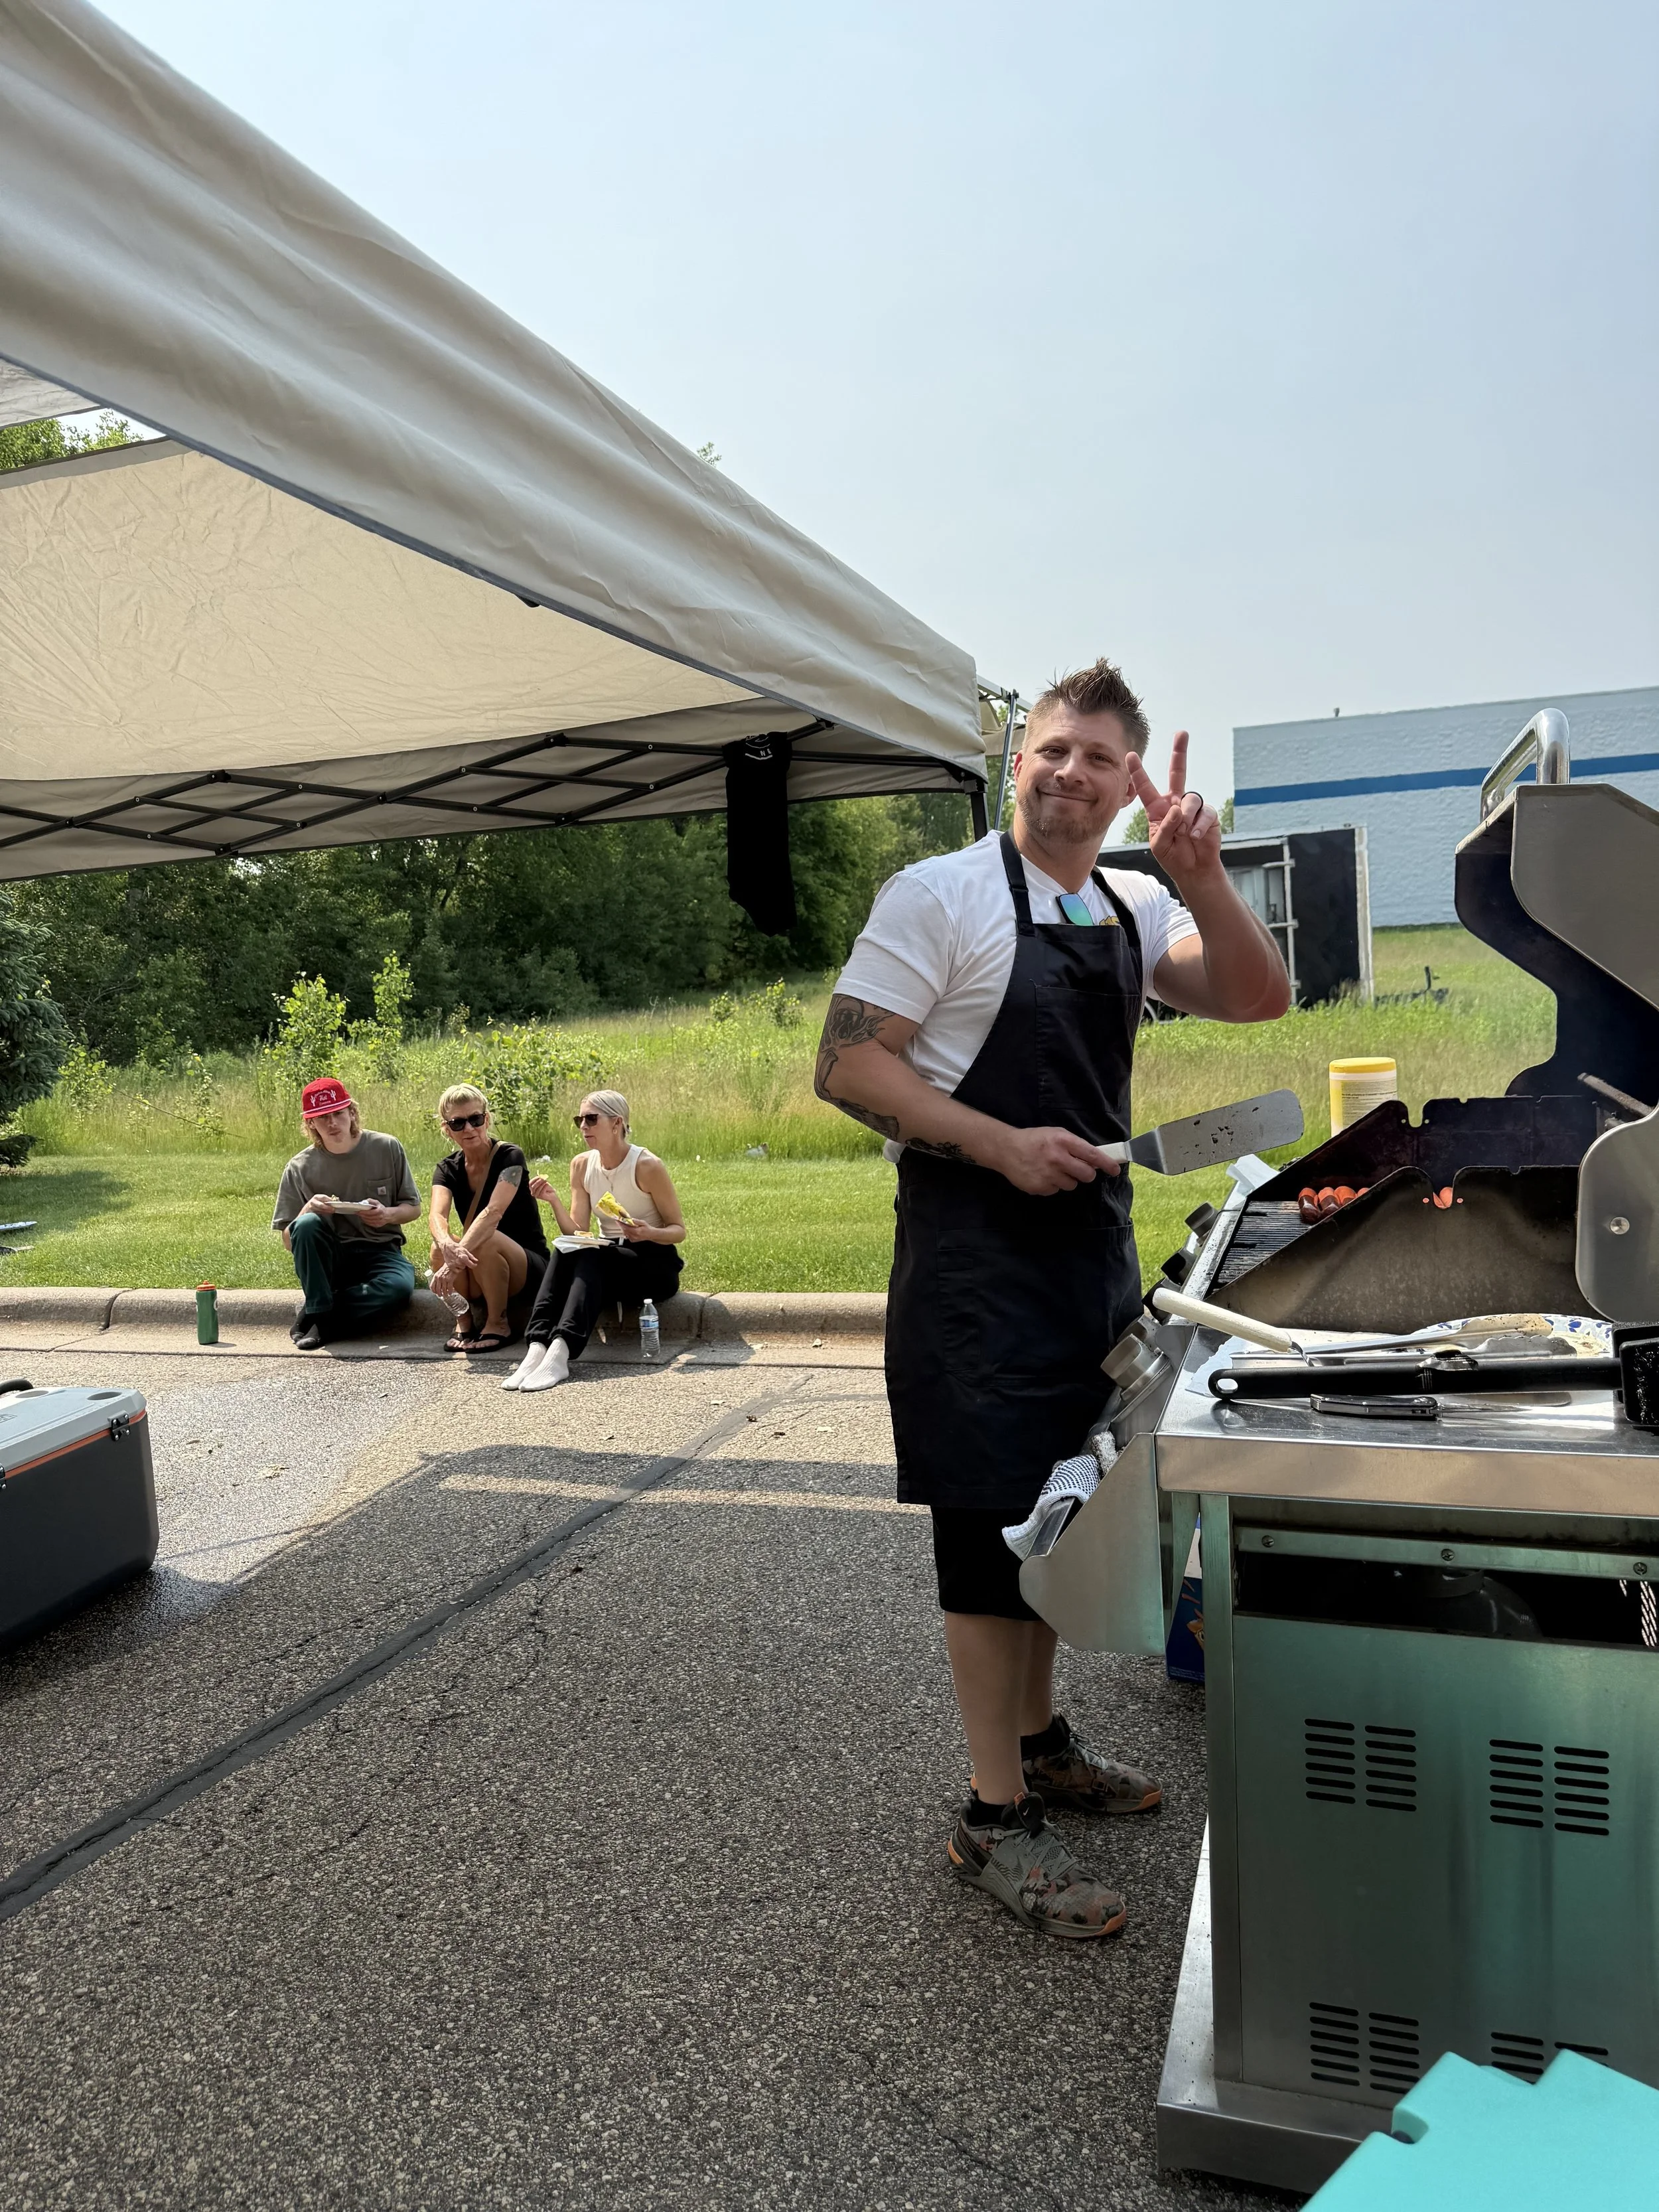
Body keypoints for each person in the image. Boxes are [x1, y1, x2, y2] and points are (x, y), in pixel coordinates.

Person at [816, 657, 1291, 1940]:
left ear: (1130, 781)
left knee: (1060, 1518)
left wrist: (1200, 873)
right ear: (1017, 756)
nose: (1070, 771)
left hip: (1088, 1249)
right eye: (1053, 747)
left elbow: (1259, 995)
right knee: (985, 1546)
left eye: (1099, 757)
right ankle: (992, 1812)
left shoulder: (1132, 908)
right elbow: (847, 1060)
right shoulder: (943, 893)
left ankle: (1039, 1739)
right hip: (975, 1263)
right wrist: (990, 1138)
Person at [503, 1090, 685, 1392]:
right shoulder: (581, 1165)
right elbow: (578, 1232)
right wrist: (553, 1201)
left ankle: (561, 1351)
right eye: (579, 1120)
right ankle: (537, 1346)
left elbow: (678, 1230)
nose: (583, 1127)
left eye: (591, 1119)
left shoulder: (647, 1165)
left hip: (654, 1261)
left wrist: (648, 1232)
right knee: (566, 1247)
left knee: (591, 1255)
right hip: (608, 1257)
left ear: (616, 1123)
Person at [271, 1078, 422, 1349]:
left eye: (338, 1113)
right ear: (310, 1125)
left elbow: (413, 1208)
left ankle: (319, 1312)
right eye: (322, 1117)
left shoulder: (386, 1147)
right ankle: (324, 1313)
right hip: (329, 1260)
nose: (332, 1123)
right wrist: (307, 1209)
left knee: (398, 1289)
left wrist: (386, 1214)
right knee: (305, 1223)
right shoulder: (299, 1167)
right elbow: (287, 1240)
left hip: (381, 1249)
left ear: (352, 1113)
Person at [428, 1085, 549, 1353]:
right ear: (446, 1129)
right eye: (458, 1123)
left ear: (488, 1118)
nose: (469, 1129)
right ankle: (463, 1320)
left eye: (476, 1119)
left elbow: (493, 1213)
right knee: (439, 1247)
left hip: (527, 1266)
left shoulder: (510, 1156)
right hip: (477, 1266)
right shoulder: (446, 1168)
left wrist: (452, 1265)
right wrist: (447, 1245)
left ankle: (499, 1323)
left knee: (486, 1236)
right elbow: (437, 1215)